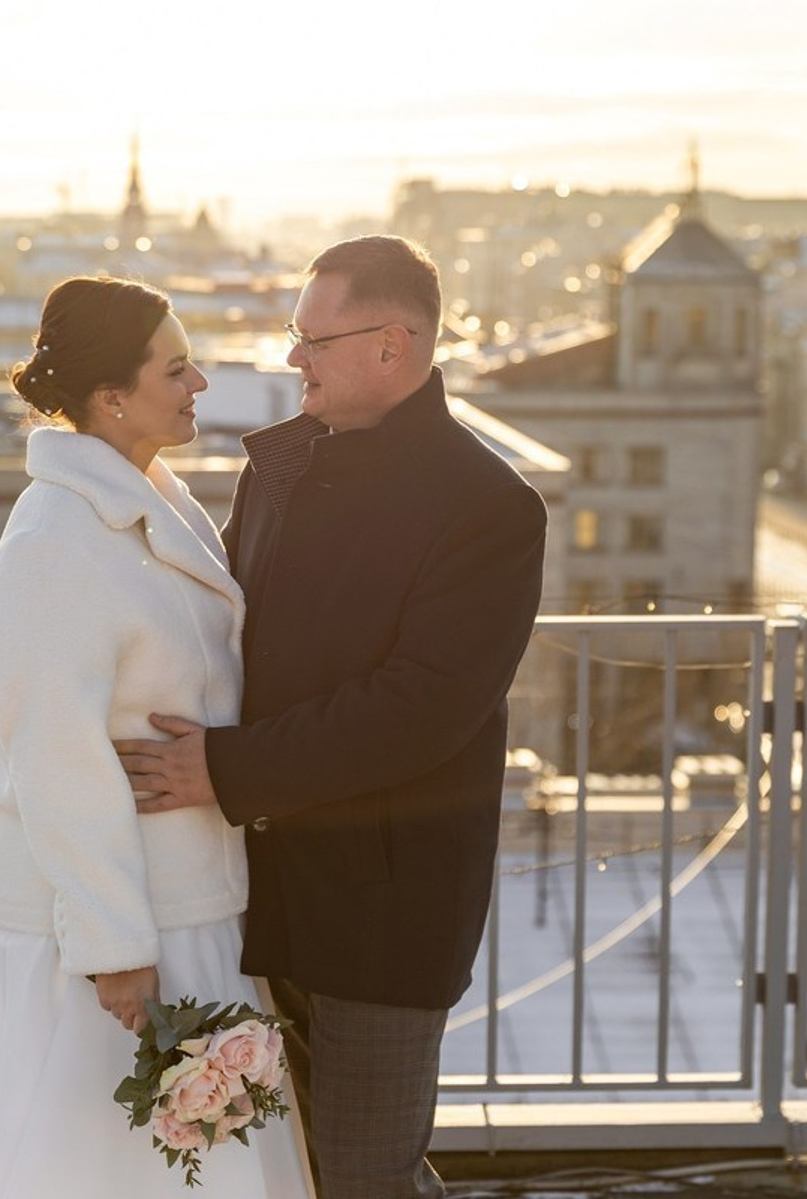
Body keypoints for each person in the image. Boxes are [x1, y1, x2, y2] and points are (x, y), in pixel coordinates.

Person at [119, 235, 548, 1198]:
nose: (291, 358)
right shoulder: (281, 469)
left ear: (392, 347)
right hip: (256, 899)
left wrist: (225, 772)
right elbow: (219, 631)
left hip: (380, 917)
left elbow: (419, 710)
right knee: (301, 1169)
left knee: (362, 1177)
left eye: (312, 338)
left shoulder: (489, 506)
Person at [0, 275, 311, 1198]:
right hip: (105, 944)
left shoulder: (149, 506)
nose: (199, 382)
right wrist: (115, 950)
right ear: (111, 397)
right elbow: (54, 761)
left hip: (186, 907)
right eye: (177, 366)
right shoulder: (54, 546)